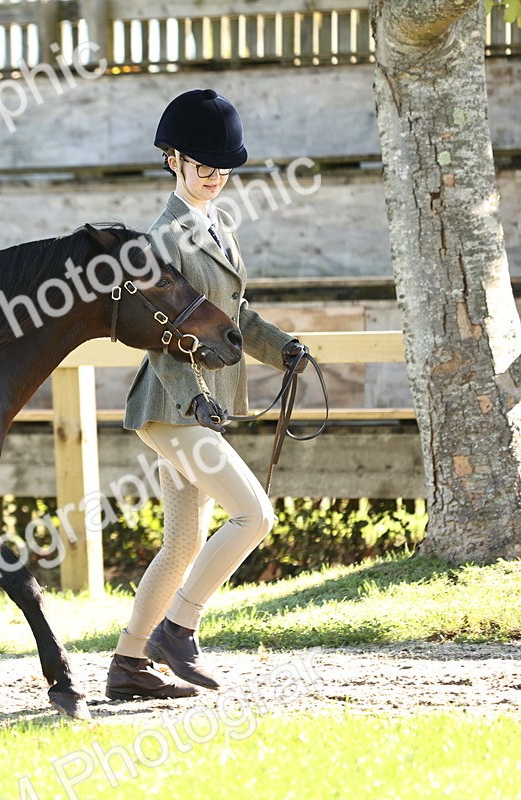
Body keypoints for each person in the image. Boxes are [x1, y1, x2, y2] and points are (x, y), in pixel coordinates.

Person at [105, 89, 309, 699]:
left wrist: (283, 349)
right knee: (255, 515)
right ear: (173, 161)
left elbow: (235, 315)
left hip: (195, 409)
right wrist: (194, 397)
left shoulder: (217, 226)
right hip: (172, 407)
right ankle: (179, 628)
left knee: (183, 543)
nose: (214, 179)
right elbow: (161, 335)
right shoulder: (162, 240)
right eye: (202, 169)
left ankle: (127, 666)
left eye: (222, 171)